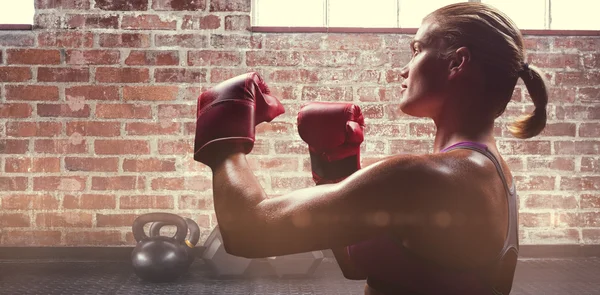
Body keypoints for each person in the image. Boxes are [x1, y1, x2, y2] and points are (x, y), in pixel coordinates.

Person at [192, 2, 549, 294]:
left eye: (417, 49)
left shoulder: (427, 177)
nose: (404, 70)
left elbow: (248, 233)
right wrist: (335, 168)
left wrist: (223, 137)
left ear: (457, 62)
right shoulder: (489, 172)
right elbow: (358, 262)